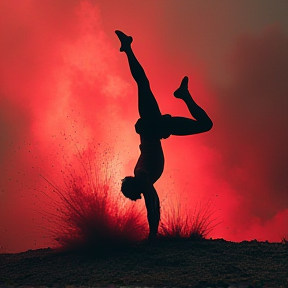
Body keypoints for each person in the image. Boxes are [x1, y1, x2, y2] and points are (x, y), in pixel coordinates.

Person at [115, 30, 213, 240]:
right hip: (158, 129)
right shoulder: (142, 175)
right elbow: (151, 199)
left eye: (137, 193)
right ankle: (184, 95)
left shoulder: (142, 176)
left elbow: (152, 202)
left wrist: (152, 235)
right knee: (206, 125)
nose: (142, 194)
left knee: (143, 83)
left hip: (154, 127)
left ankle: (128, 47)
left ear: (136, 188)